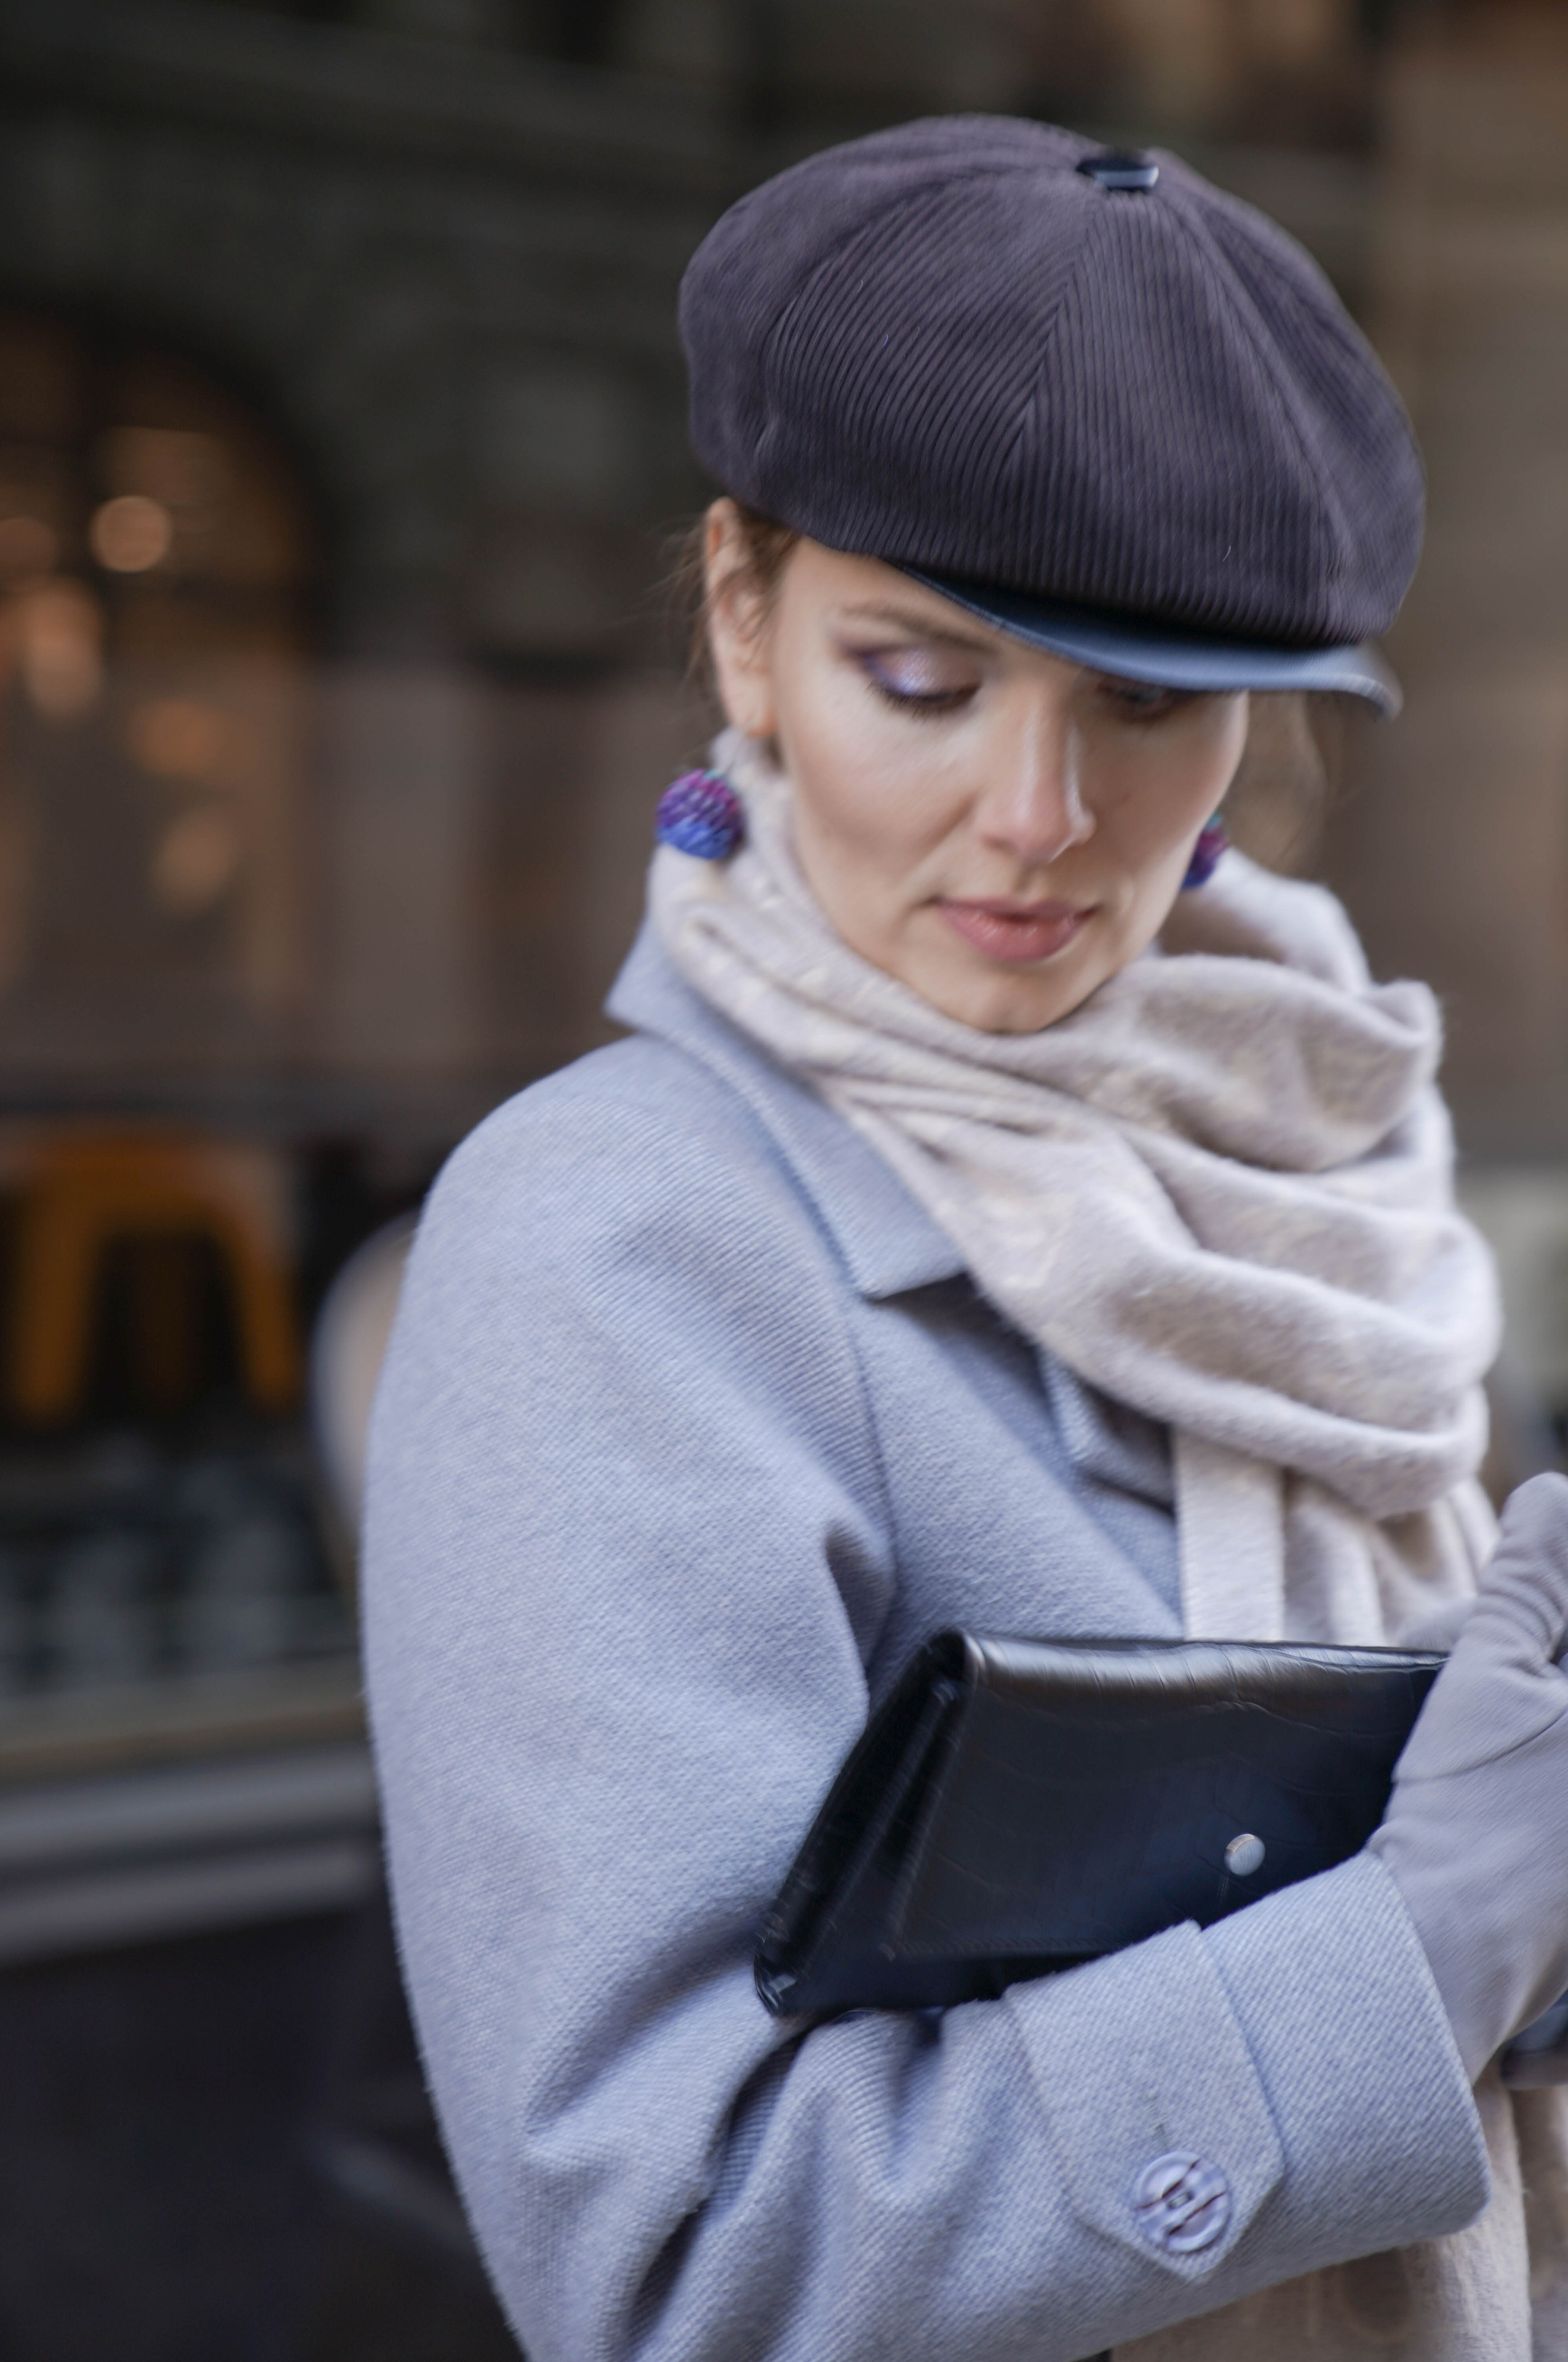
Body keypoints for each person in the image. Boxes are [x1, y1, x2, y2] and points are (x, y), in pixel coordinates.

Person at [362, 117, 1568, 2361]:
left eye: (1145, 702)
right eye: (922, 679)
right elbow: (678, 2278)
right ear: (745, 619)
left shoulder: (1319, 1181)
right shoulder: (616, 1244)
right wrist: (1417, 1954)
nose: (1039, 817)